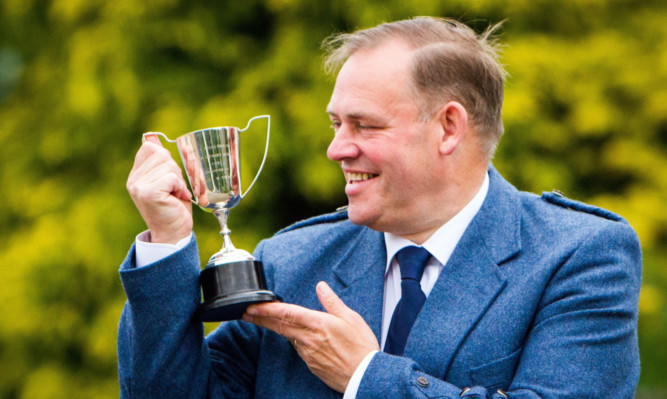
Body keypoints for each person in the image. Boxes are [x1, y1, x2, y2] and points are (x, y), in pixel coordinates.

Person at [119, 16, 642, 398]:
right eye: (336, 124)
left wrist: (365, 377)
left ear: (448, 127)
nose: (337, 149)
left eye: (363, 125)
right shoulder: (294, 258)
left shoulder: (580, 255)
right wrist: (167, 244)